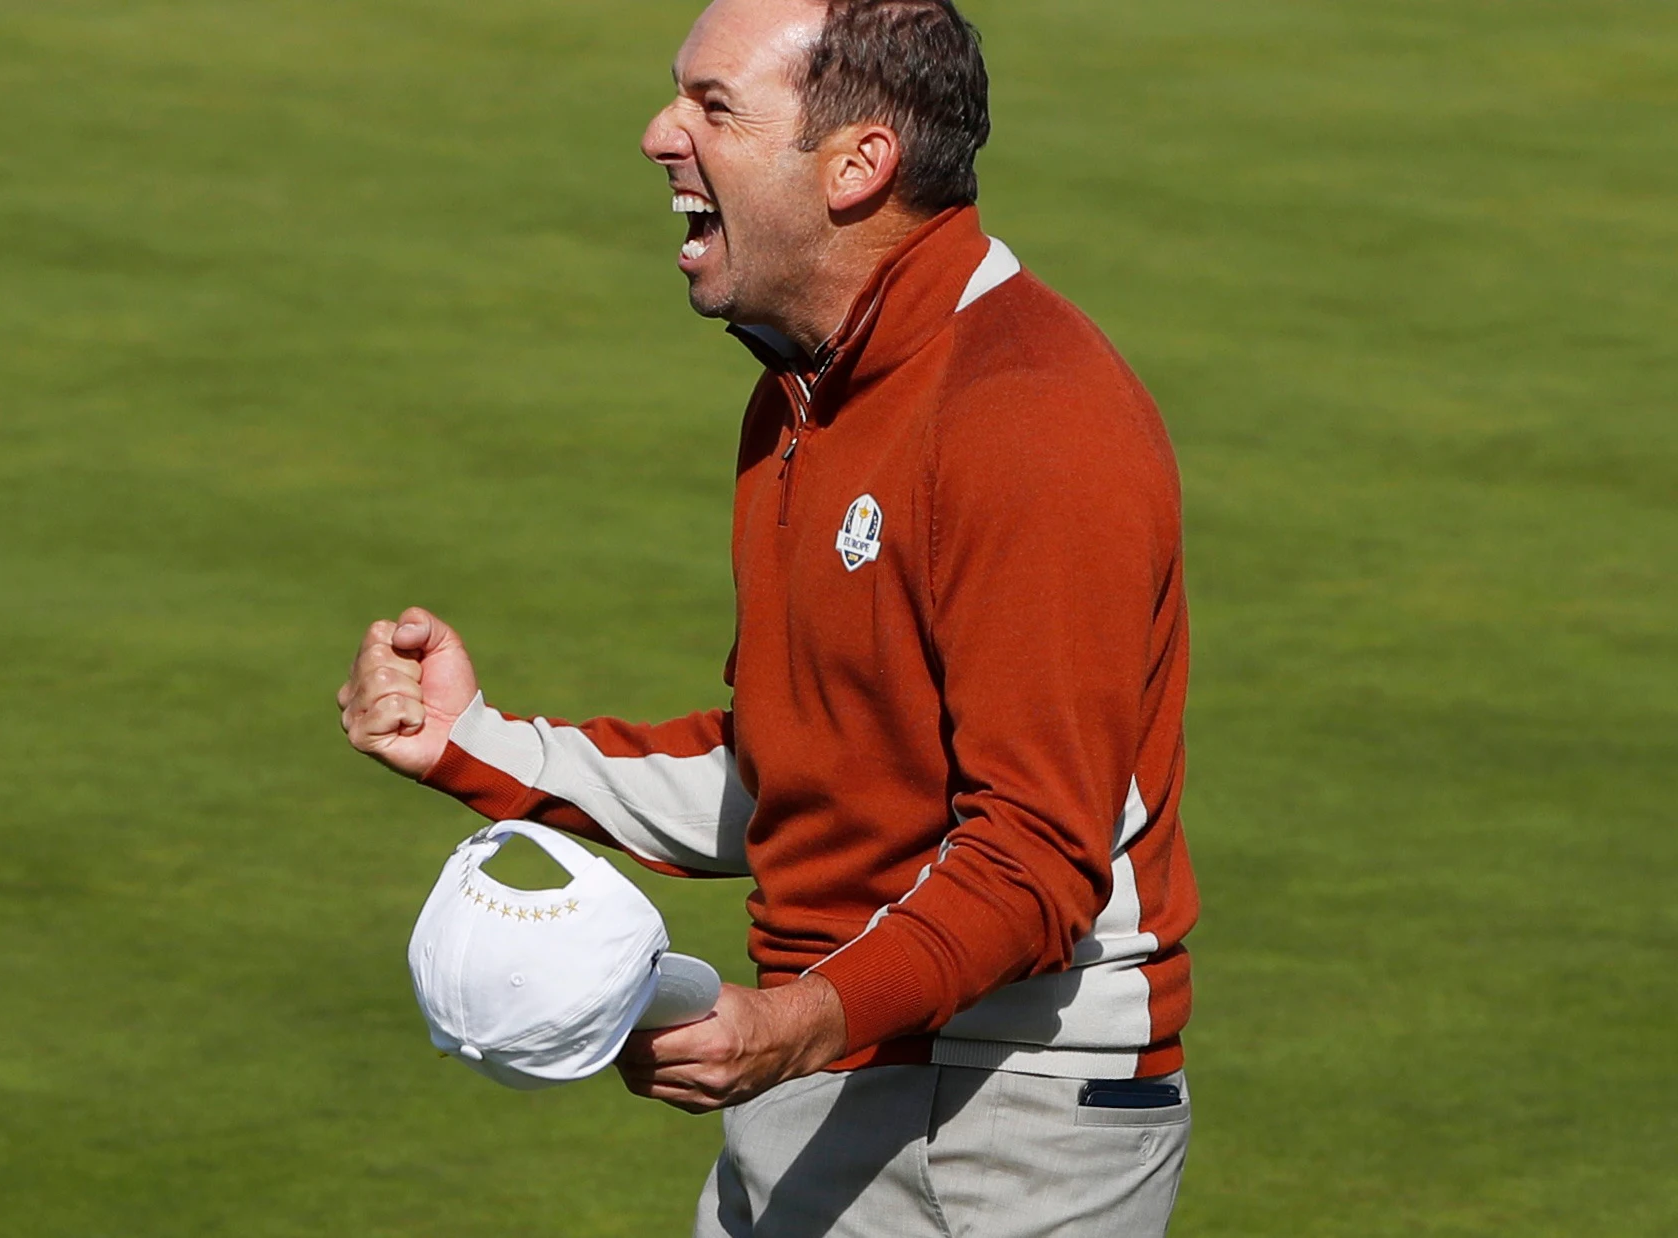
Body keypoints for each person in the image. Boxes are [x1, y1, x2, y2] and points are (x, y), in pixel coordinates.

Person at [336, 0, 1199, 1232]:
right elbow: (808, 769)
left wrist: (794, 1022)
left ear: (857, 163)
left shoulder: (1029, 416)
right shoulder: (804, 394)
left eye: (712, 104)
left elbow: (1033, 854)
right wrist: (478, 741)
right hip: (832, 1074)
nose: (657, 133)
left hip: (998, 1119)